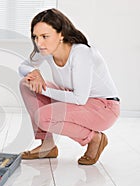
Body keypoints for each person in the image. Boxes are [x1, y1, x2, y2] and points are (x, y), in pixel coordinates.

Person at [18, 9, 120, 165]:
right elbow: (23, 66)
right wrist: (34, 71)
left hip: (104, 107)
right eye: (35, 37)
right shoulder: (46, 50)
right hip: (75, 99)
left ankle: (95, 139)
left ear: (61, 34)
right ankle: (47, 145)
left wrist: (43, 89)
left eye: (45, 36)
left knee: (44, 117)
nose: (39, 43)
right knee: (26, 84)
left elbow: (80, 98)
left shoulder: (81, 53)